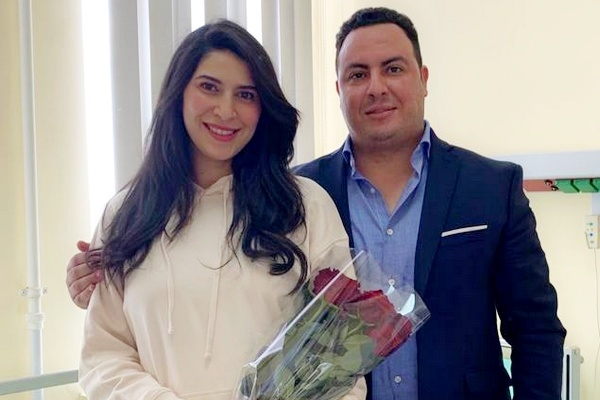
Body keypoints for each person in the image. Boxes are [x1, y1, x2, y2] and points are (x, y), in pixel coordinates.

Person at [68, 7, 566, 400]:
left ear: (423, 77)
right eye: (357, 74)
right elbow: (108, 347)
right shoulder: (299, 192)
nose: (376, 87)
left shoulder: (486, 187)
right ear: (339, 89)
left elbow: (536, 330)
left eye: (393, 68)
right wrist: (94, 273)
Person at [75, 19, 366, 400]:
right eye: (209, 87)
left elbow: (343, 360)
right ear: (179, 93)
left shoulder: (305, 206)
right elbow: (103, 355)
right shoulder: (126, 214)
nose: (226, 111)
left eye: (245, 95)